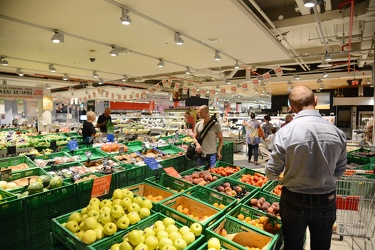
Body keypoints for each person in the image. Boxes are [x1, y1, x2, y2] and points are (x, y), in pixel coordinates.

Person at [265, 85, 347, 250]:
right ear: (315, 101)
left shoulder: (285, 133)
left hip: (293, 200)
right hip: (326, 200)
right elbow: (340, 171)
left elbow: (271, 172)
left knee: (293, 245)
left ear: (291, 108)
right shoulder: (338, 133)